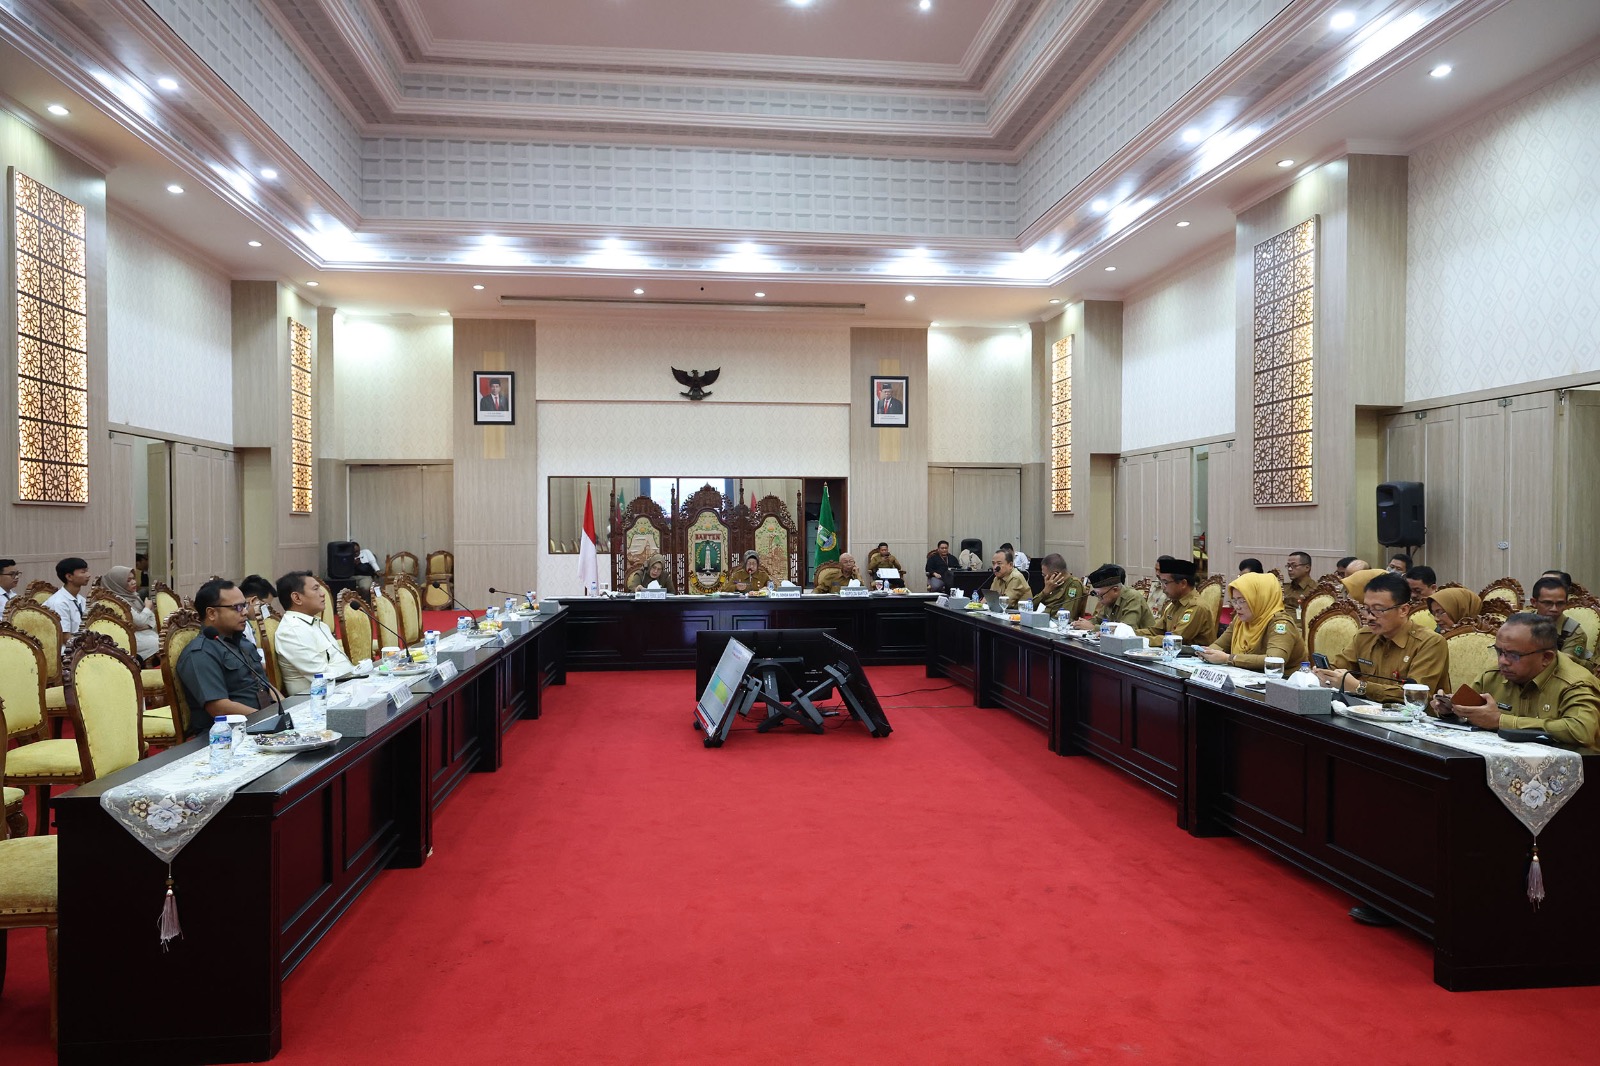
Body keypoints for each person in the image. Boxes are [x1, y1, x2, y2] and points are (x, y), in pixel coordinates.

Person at [1432, 613, 1598, 747]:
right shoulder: (1493, 674)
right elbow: (1474, 716)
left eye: (1513, 655)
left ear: (1546, 658)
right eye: (1499, 652)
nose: (1502, 661)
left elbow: (1581, 731)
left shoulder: (1576, 683)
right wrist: (1452, 711)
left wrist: (1501, 721)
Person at [1314, 572, 1449, 702]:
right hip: (1365, 711)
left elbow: (1415, 695)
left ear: (1403, 610)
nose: (1370, 617)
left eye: (1378, 609)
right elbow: (1339, 667)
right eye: (1366, 609)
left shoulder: (1430, 642)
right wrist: (1324, 674)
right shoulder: (1365, 636)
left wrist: (1360, 687)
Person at [174, 578, 264, 737]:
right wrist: (265, 718)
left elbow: (266, 686)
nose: (244, 612)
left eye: (244, 605)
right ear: (212, 613)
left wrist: (285, 711)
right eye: (237, 607)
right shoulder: (200, 653)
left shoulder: (242, 642)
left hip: (261, 723)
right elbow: (219, 707)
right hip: (227, 735)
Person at [273, 570, 362, 695]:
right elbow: (323, 677)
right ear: (297, 598)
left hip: (341, 689)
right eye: (316, 589)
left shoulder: (317, 624)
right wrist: (354, 672)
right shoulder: (292, 631)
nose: (322, 594)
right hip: (315, 700)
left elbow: (338, 664)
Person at [1198, 572, 1306, 671]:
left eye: (1242, 601)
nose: (1237, 607)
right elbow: (1220, 644)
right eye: (1235, 600)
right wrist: (1207, 652)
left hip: (1282, 681)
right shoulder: (1241, 620)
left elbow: (1274, 661)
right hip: (1247, 677)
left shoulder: (1280, 624)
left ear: (1260, 599)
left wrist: (1229, 658)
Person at [1141, 558, 1216, 645]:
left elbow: (1175, 639)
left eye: (1165, 582)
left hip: (1193, 653)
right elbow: (1155, 631)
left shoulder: (1196, 606)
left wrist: (1142, 641)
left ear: (1183, 584)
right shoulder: (1174, 604)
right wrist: (1131, 635)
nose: (1162, 587)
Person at [99, 565, 159, 661]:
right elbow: (140, 621)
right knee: (157, 642)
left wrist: (146, 625)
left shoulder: (133, 596)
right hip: (125, 638)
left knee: (163, 640)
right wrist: (147, 607)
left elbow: (152, 619)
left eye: (133, 578)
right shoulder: (118, 601)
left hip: (140, 632)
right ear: (117, 583)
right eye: (128, 580)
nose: (134, 582)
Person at [1073, 564, 1157, 631]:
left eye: (1101, 595)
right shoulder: (1109, 598)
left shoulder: (1133, 597)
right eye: (1096, 595)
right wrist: (1082, 624)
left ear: (1115, 590)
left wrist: (1093, 628)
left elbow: (1127, 630)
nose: (1099, 600)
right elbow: (1098, 620)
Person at [1528, 576, 1588, 659]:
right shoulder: (1519, 623)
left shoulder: (1574, 633)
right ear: (1534, 602)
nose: (1554, 609)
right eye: (1548, 603)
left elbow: (1564, 663)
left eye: (1560, 604)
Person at [44, 556, 91, 634]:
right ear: (69, 577)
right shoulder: (59, 603)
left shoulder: (81, 599)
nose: (88, 575)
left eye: (87, 571)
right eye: (83, 572)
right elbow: (64, 636)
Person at [1035, 554, 1088, 620]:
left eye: (1044, 575)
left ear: (1055, 574)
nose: (1044, 579)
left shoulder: (1073, 585)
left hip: (1053, 623)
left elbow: (1066, 616)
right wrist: (1044, 592)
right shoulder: (1052, 585)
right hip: (1041, 619)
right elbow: (1030, 607)